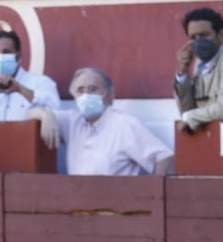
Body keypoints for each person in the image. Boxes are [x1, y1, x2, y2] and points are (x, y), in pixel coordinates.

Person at [28, 68, 172, 176]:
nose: (86, 95)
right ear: (74, 97)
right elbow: (28, 114)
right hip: (81, 208)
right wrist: (46, 115)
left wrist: (153, 197)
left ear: (109, 94)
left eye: (93, 89)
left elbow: (164, 157)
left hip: (117, 209)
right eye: (80, 90)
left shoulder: (124, 124)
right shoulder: (72, 121)